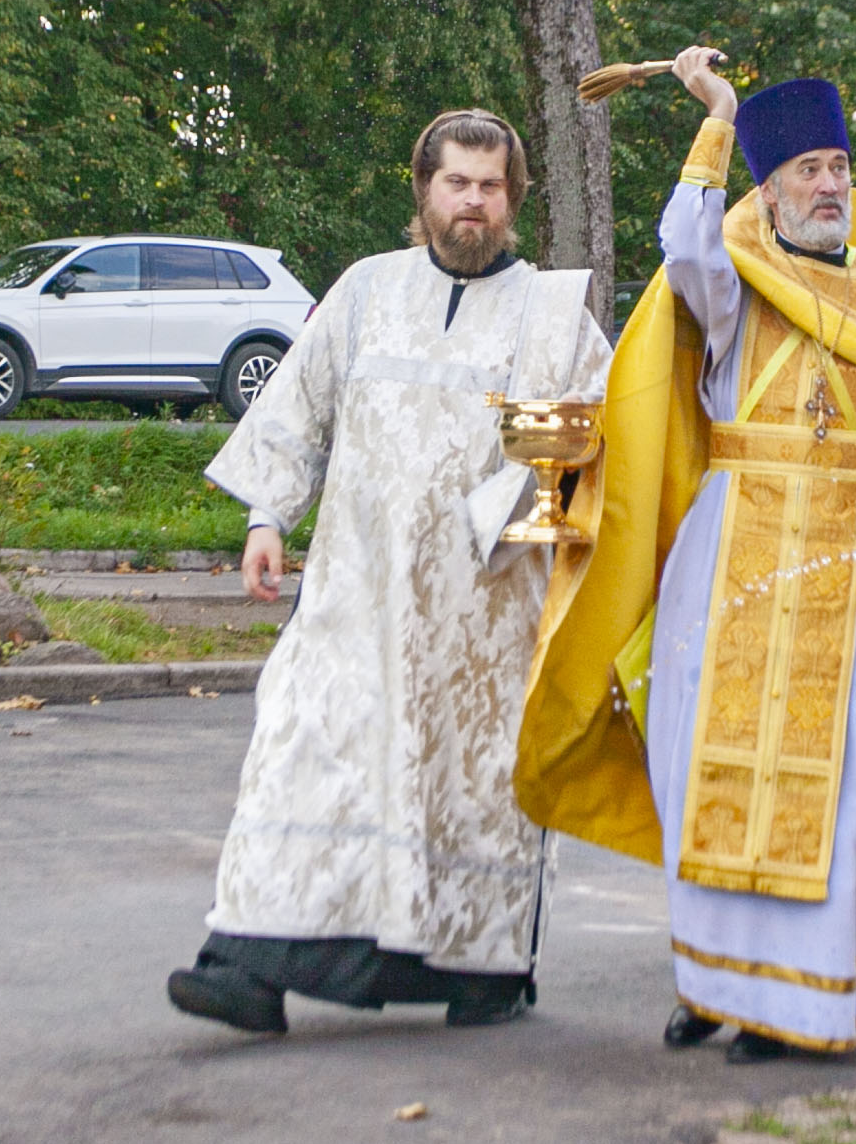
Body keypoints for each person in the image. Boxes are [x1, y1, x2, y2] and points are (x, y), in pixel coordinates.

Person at [512, 49, 856, 1061]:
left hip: (848, 564)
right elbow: (684, 247)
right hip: (730, 552)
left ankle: (795, 1005)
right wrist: (718, 117)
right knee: (702, 757)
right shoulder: (735, 285)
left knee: (830, 783)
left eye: (838, 167)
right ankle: (708, 985)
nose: (830, 186)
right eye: (809, 172)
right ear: (771, 191)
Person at [165, 110, 611, 1034]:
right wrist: (264, 517)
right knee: (302, 750)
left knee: (468, 783)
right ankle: (243, 963)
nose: (473, 202)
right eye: (456, 182)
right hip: (354, 596)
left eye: (490, 186)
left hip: (481, 611)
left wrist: (494, 527)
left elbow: (582, 457)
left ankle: (480, 970)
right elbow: (302, 407)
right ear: (424, 191)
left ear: (513, 198)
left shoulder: (548, 314)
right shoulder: (367, 290)